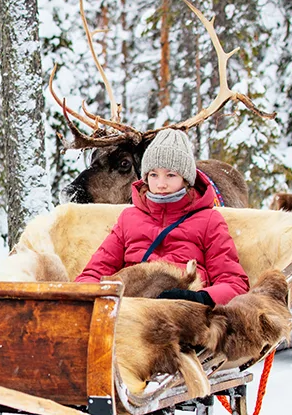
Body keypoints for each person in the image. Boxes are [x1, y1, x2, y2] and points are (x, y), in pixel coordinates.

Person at [74, 129, 249, 306]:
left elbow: (235, 284)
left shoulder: (209, 220)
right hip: (131, 309)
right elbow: (93, 273)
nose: (161, 184)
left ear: (186, 179)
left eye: (171, 175)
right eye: (154, 175)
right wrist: (85, 299)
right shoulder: (128, 218)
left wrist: (200, 298)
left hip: (184, 314)